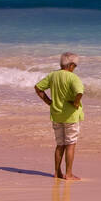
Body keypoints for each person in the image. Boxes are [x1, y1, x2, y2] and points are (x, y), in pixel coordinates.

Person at [34, 52, 84, 180]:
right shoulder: (73, 78)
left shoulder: (53, 75)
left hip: (56, 115)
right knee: (71, 144)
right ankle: (68, 174)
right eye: (75, 66)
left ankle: (57, 172)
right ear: (72, 65)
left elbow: (38, 88)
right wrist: (76, 103)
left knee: (60, 144)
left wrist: (49, 102)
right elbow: (79, 92)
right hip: (71, 116)